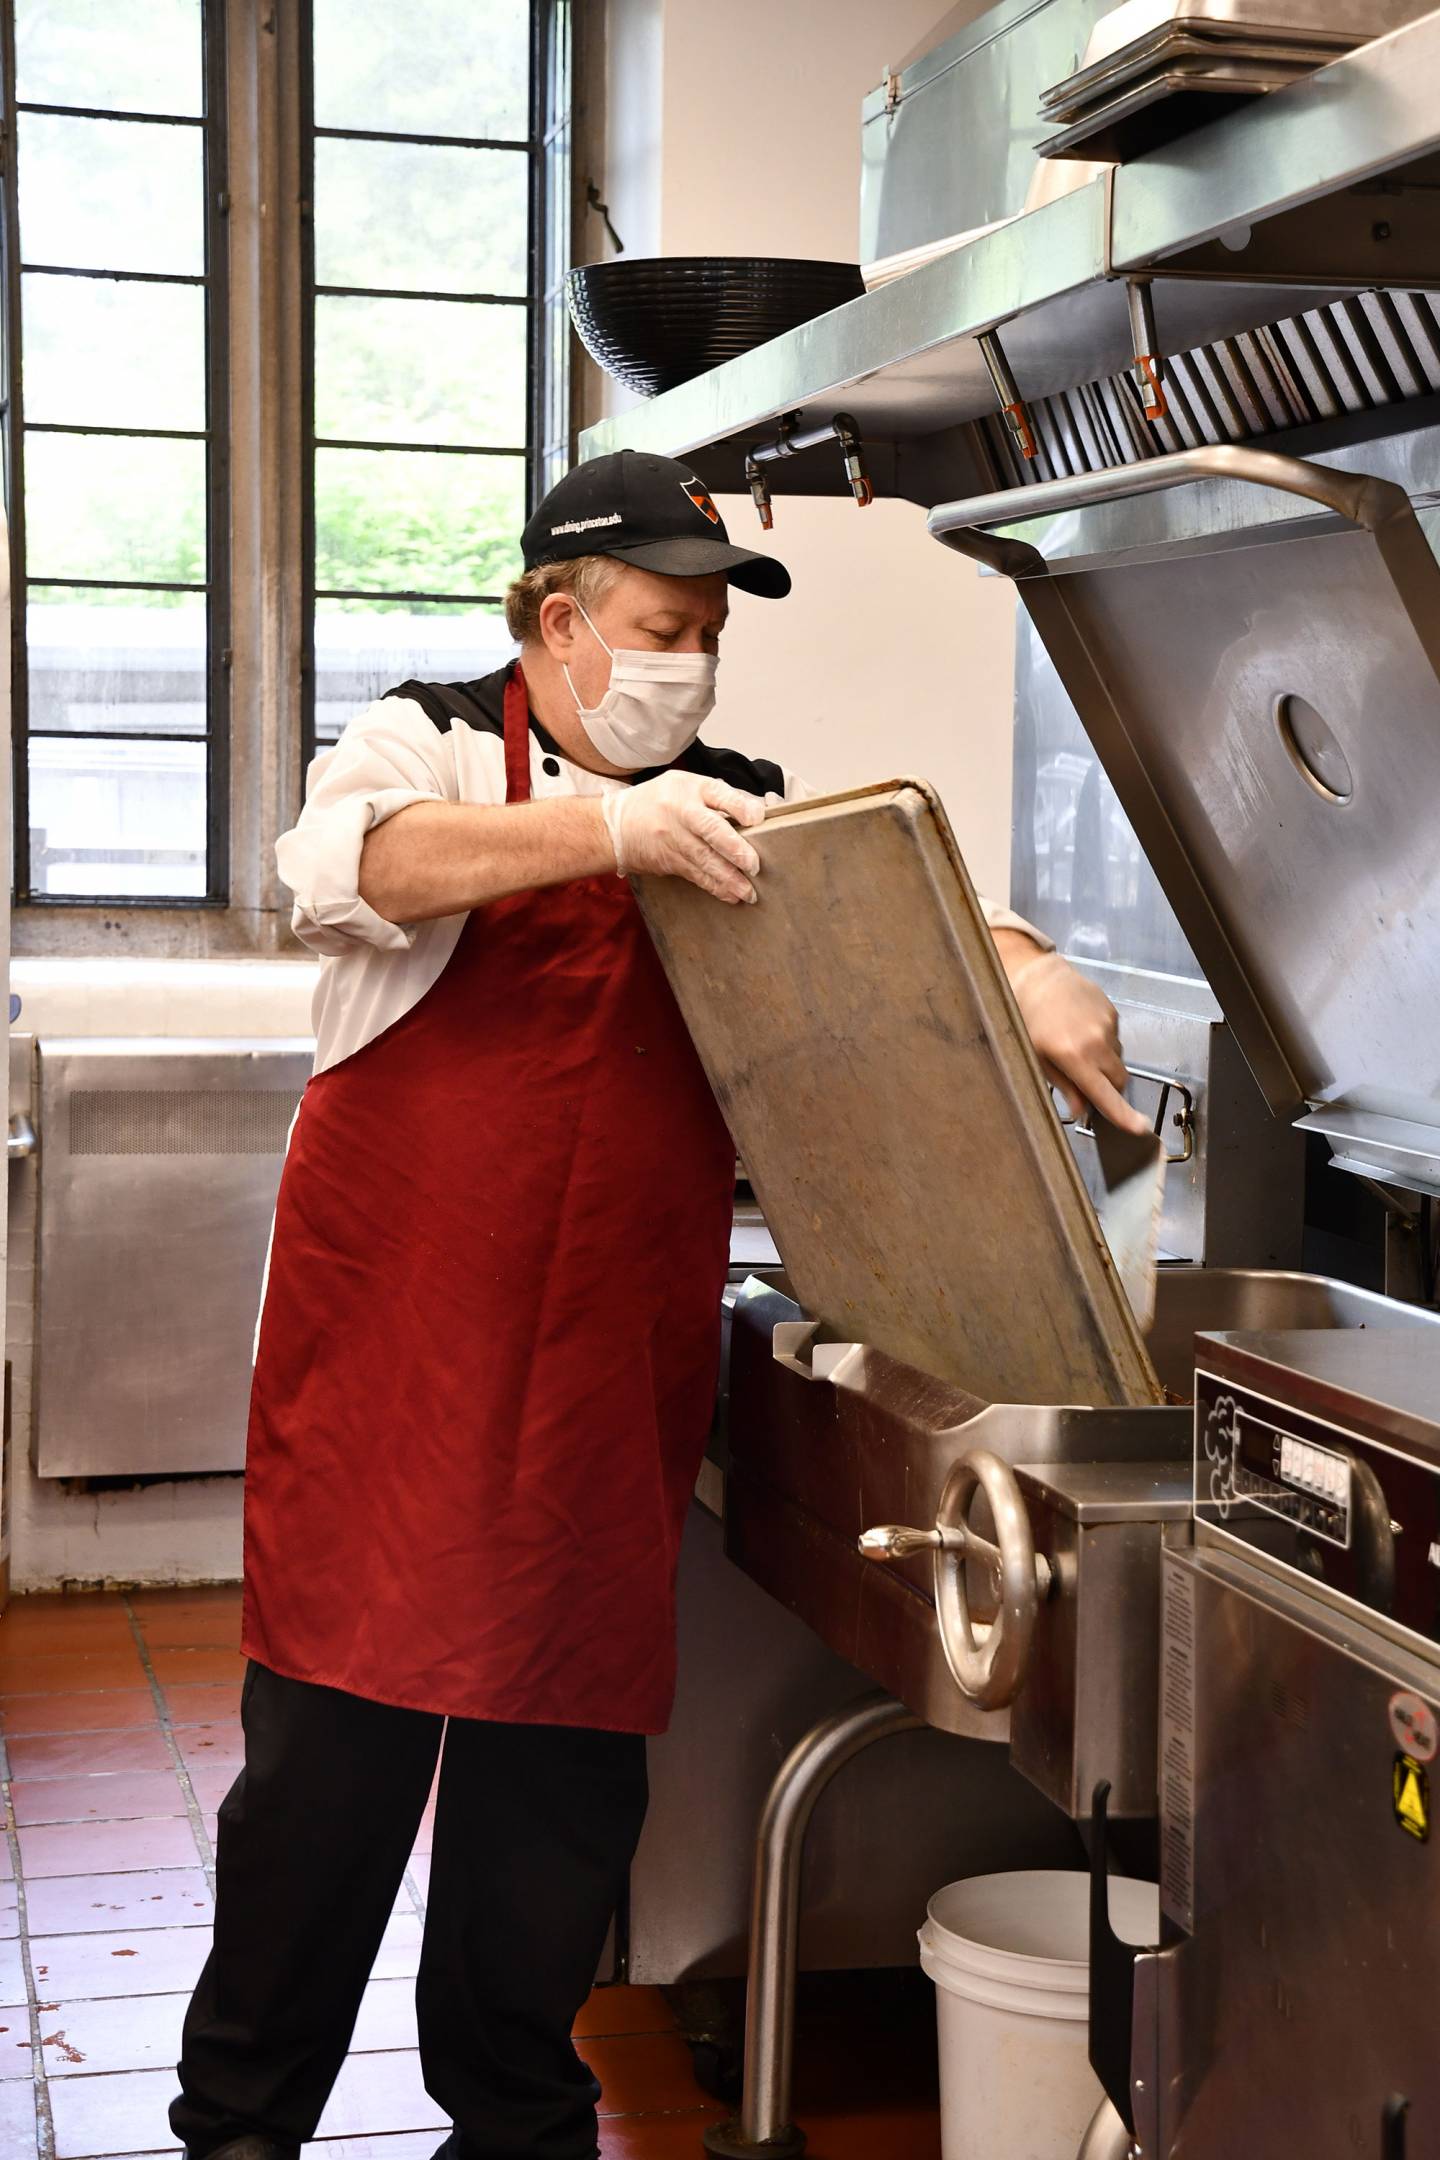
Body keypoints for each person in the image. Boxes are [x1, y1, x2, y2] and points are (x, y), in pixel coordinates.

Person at [169, 450, 1146, 2160]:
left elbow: (901, 906)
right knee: (324, 1793)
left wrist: (1034, 964)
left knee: (548, 1811)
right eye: (661, 625)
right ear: (560, 618)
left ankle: (518, 2121)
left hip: (593, 1409)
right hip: (389, 1396)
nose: (691, 662)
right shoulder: (428, 742)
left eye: (710, 633)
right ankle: (242, 2125)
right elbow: (342, 873)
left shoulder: (733, 796)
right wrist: (605, 831)